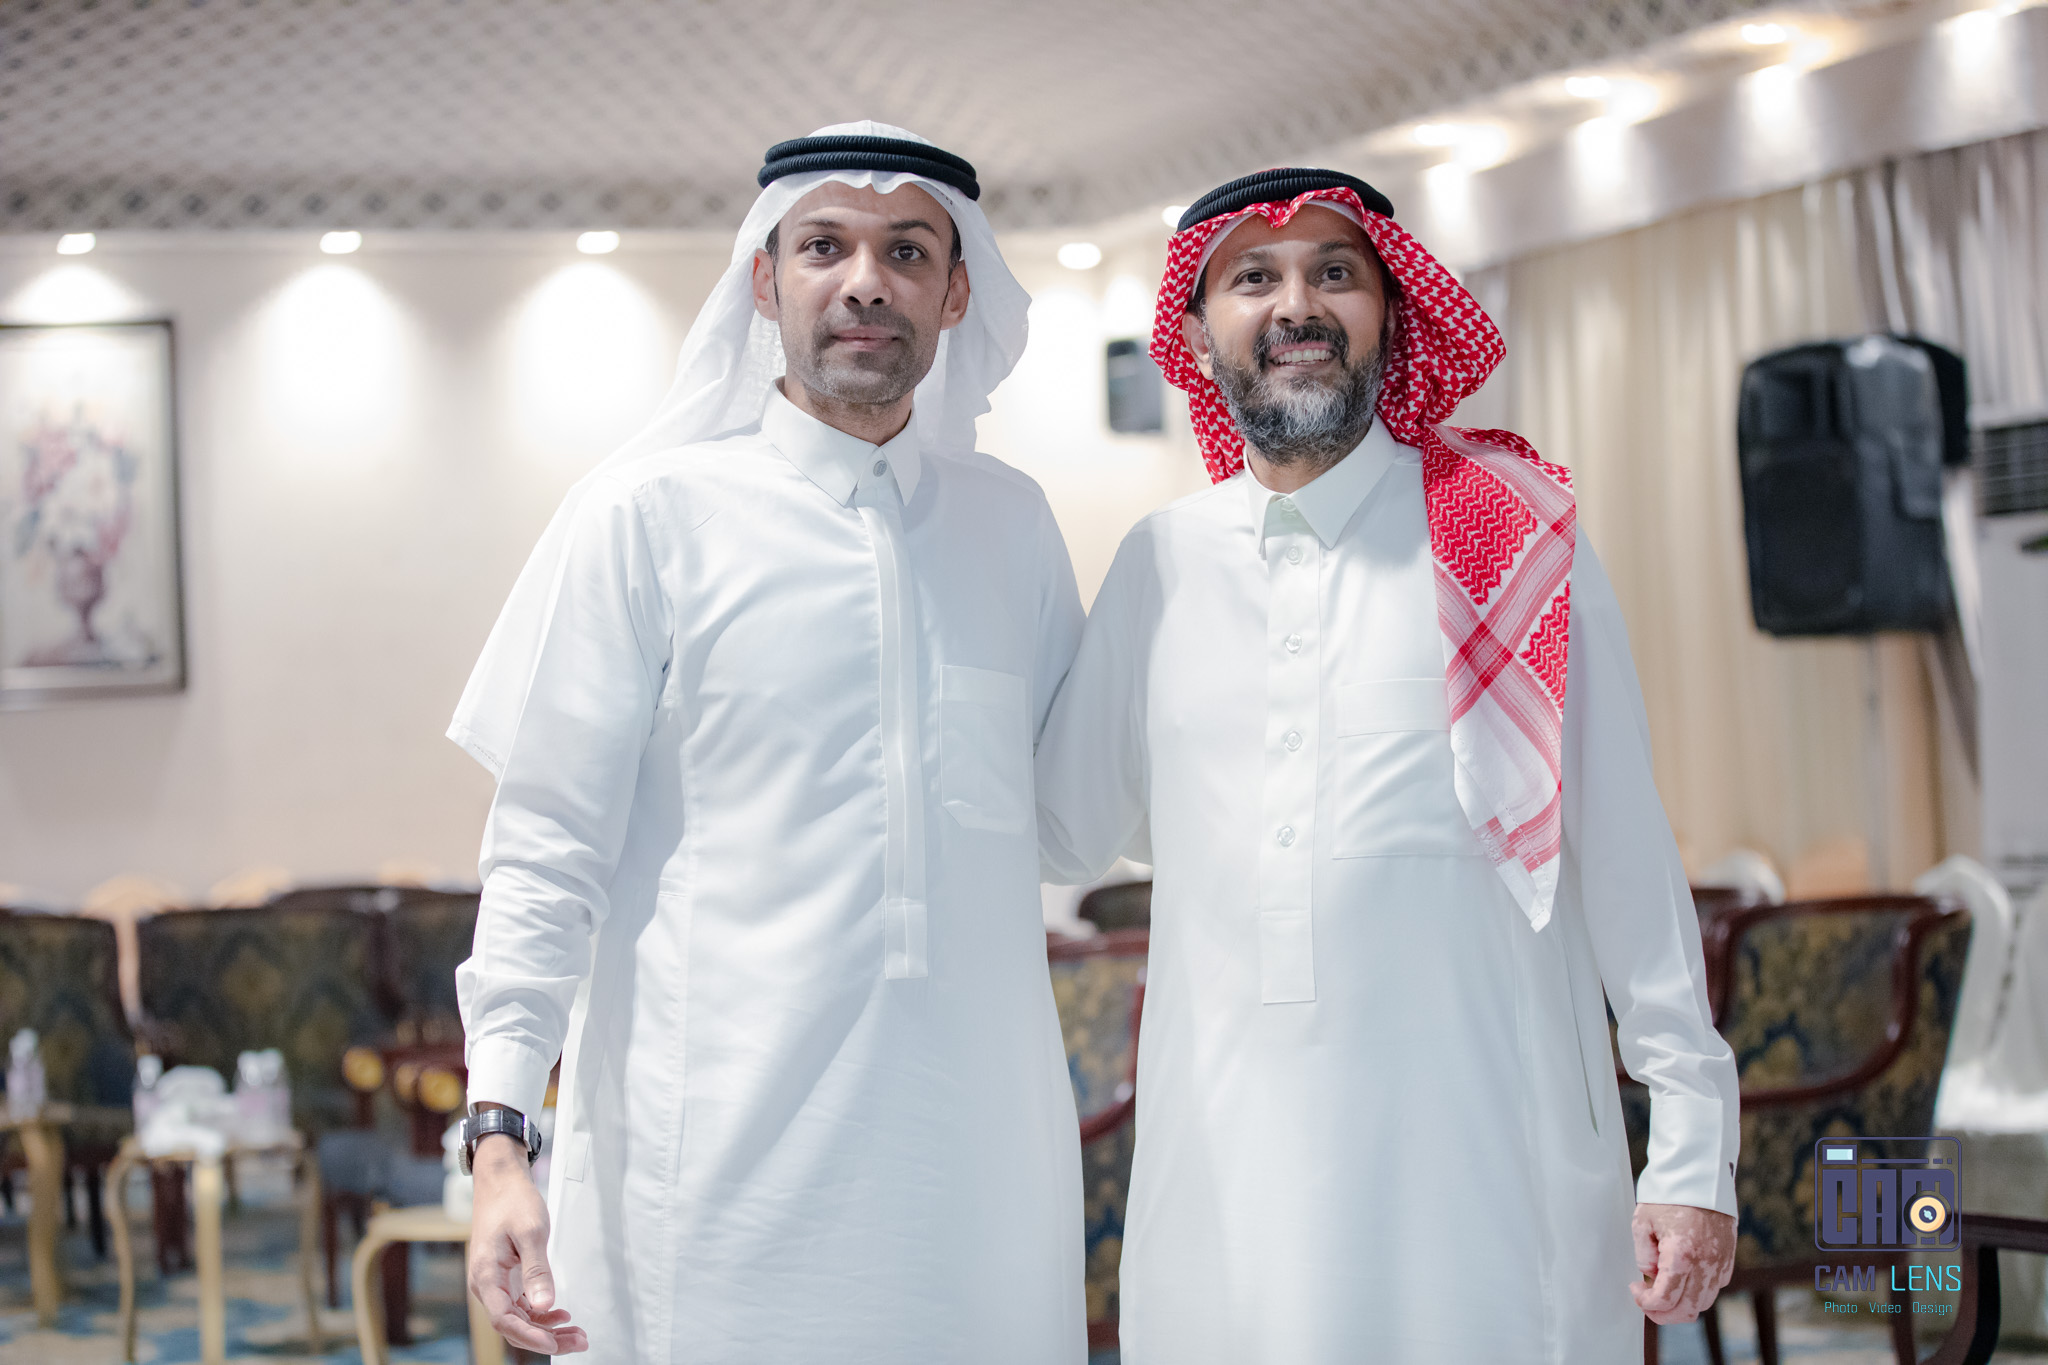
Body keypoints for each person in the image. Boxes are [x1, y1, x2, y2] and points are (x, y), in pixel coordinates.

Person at [1033, 167, 1739, 1363]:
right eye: (1252, 278)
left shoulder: (1508, 537)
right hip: (1226, 1200)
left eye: (1333, 273)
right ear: (1196, 337)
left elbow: (1624, 855)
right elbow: (1062, 828)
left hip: (1483, 1183)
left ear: (1390, 313)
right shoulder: (1159, 564)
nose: (1294, 305)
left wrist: (1689, 1150)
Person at [450, 123, 1087, 1363]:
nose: (865, 281)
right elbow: (545, 856)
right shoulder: (649, 520)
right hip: (713, 1193)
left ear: (955, 294)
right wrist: (499, 1142)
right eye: (823, 247)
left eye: (907, 252)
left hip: (975, 1185)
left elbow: (1078, 805)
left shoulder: (1012, 527)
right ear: (763, 279)